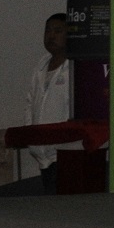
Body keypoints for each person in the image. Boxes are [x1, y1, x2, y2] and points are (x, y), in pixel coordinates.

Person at [22, 11, 76, 192]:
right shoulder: (41, 65)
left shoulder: (75, 67)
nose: (51, 36)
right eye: (48, 31)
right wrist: (31, 134)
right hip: (42, 152)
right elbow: (30, 102)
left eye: (58, 31)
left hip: (65, 152)